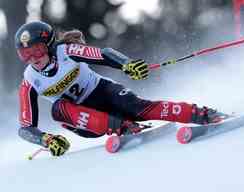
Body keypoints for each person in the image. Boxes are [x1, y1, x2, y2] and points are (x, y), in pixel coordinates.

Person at [15, 21, 226, 156]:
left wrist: (127, 64)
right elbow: (25, 128)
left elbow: (102, 54)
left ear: (50, 45)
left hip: (102, 92)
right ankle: (122, 127)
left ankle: (200, 114)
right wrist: (47, 140)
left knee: (140, 108)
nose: (33, 59)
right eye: (26, 55)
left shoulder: (66, 50)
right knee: (58, 108)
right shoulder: (29, 80)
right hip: (85, 121)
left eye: (38, 51)